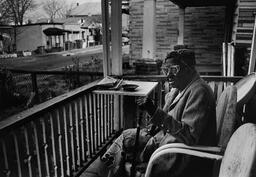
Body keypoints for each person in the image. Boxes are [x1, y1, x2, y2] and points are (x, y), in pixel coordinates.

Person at [99, 49, 217, 177]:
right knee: (127, 136)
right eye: (165, 70)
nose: (168, 75)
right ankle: (109, 171)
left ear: (189, 69)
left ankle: (106, 172)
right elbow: (167, 118)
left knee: (125, 143)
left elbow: (189, 135)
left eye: (173, 70)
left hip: (179, 155)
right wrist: (152, 112)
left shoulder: (199, 91)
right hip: (166, 144)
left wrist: (154, 111)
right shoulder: (180, 89)